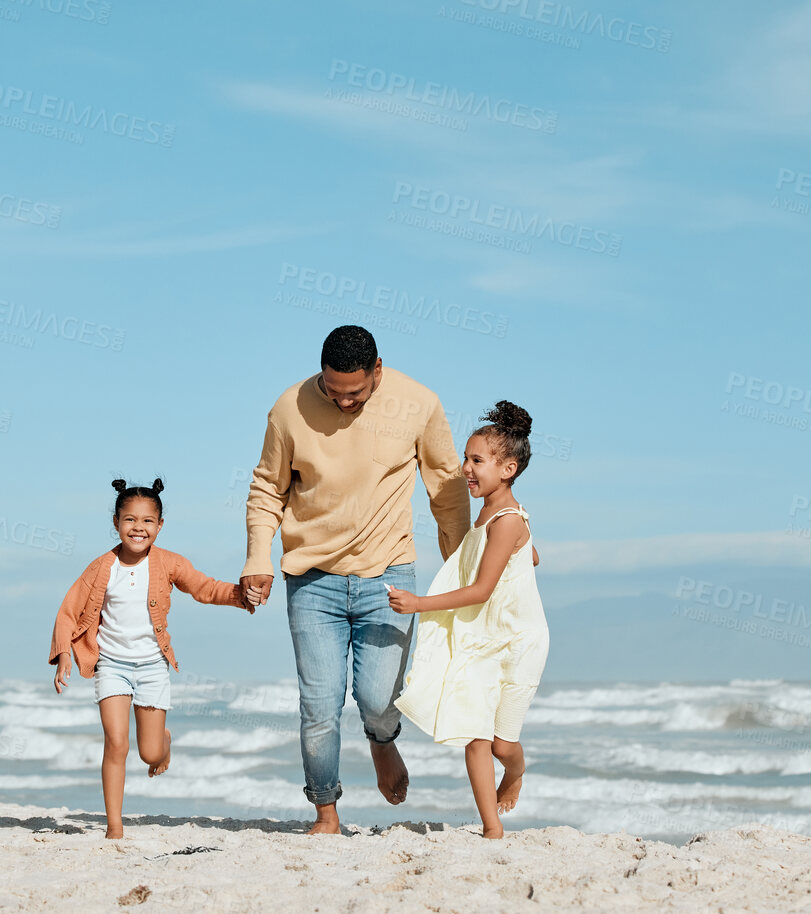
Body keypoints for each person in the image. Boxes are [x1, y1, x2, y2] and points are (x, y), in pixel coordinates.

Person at [240, 325, 470, 835]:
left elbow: (448, 491)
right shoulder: (288, 408)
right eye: (333, 390)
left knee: (377, 699)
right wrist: (258, 555)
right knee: (320, 704)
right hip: (312, 579)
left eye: (356, 393)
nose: (344, 402)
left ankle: (382, 741)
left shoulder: (419, 403)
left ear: (378, 372)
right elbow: (266, 488)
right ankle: (325, 812)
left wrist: (459, 570)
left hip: (388, 574)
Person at [50, 478, 251, 839]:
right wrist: (65, 653)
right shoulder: (101, 568)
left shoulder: (168, 563)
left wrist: (240, 595)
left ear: (159, 526)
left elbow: (204, 587)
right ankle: (114, 826)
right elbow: (69, 611)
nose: (138, 528)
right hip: (112, 665)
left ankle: (164, 743)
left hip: (153, 667)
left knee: (149, 753)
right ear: (116, 523)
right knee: (116, 743)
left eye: (147, 521)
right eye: (130, 520)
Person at [389, 402, 549, 839]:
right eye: (466, 458)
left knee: (501, 745)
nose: (465, 469)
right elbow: (531, 555)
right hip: (483, 637)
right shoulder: (490, 516)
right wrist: (522, 553)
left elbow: (481, 589)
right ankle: (492, 829)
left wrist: (418, 604)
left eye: (476, 461)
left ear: (508, 468)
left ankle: (516, 771)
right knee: (474, 734)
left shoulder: (507, 520)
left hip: (518, 642)